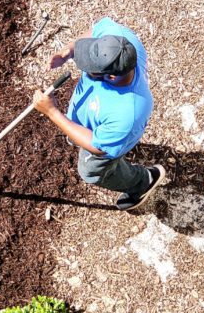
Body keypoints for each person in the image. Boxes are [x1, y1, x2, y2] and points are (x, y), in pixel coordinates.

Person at [33, 17, 165, 211]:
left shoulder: (127, 113)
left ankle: (142, 181)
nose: (82, 65)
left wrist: (52, 112)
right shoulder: (119, 40)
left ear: (111, 76)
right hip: (98, 122)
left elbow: (97, 146)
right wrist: (69, 50)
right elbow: (95, 31)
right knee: (83, 135)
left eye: (89, 68)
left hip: (103, 140)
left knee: (90, 172)